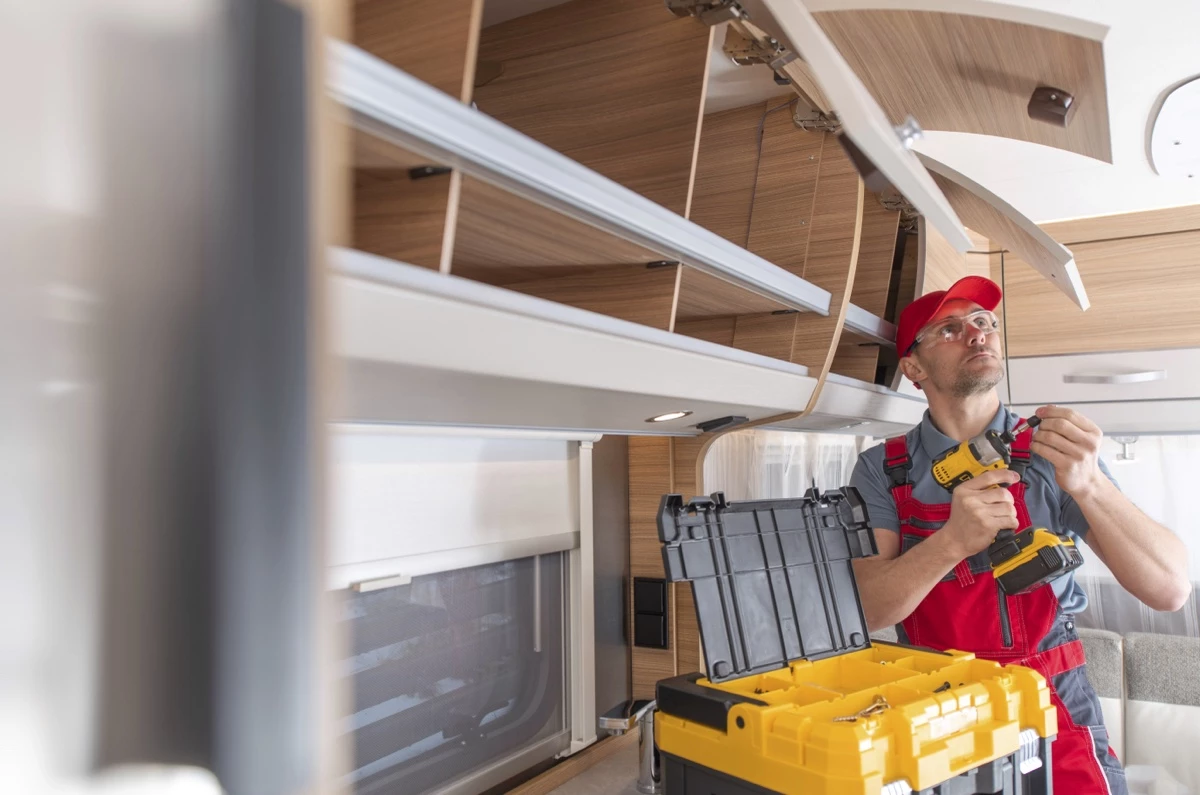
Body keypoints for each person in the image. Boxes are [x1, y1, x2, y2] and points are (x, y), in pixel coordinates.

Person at [850, 275, 1191, 794]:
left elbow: (1169, 589)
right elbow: (869, 609)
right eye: (950, 328)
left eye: (984, 322)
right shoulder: (883, 469)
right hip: (938, 706)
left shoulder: (1055, 450)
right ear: (914, 367)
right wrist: (953, 542)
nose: (978, 334)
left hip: (1052, 697)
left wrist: (1092, 485)